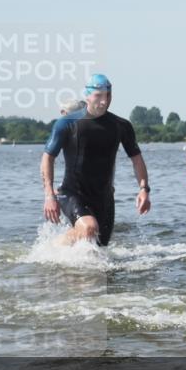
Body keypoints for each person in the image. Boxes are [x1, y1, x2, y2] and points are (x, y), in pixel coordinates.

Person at [41, 74, 151, 246]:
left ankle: (56, 249)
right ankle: (59, 253)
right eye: (98, 96)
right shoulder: (67, 123)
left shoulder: (121, 126)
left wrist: (144, 189)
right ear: (87, 95)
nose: (103, 101)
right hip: (72, 194)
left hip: (104, 198)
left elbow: (137, 160)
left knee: (99, 247)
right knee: (90, 228)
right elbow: (48, 158)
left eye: (107, 95)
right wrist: (49, 195)